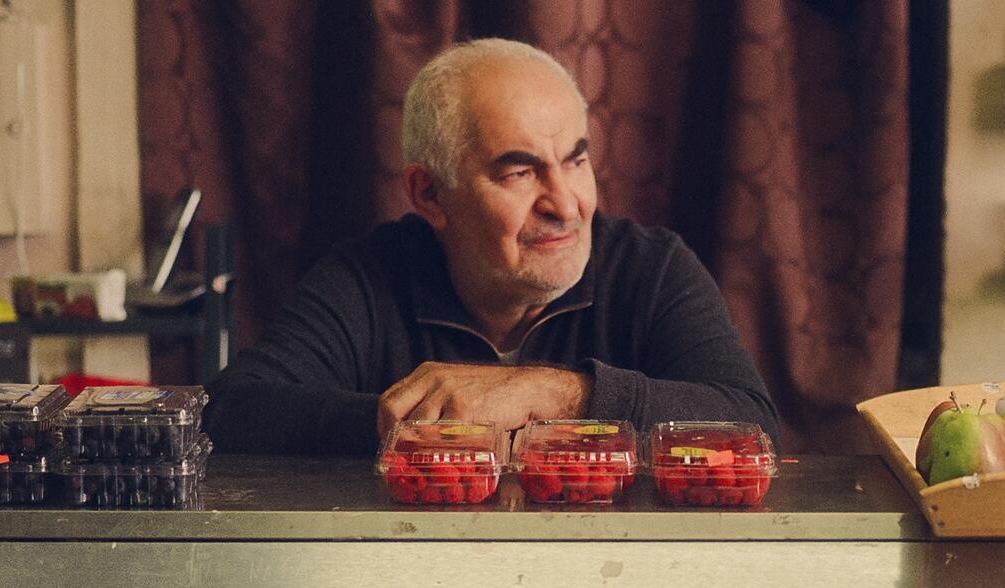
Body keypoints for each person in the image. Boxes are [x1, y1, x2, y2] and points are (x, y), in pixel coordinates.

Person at [203, 39, 780, 454]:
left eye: (575, 160)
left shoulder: (651, 267)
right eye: (519, 173)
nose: (566, 202)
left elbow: (750, 420)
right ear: (430, 193)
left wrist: (553, 393)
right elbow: (230, 411)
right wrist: (433, 423)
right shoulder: (368, 277)